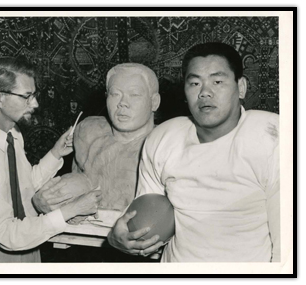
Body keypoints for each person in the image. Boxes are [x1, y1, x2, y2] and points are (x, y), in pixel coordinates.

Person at [107, 42, 280, 262]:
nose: (205, 93)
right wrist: (118, 237)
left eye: (217, 82)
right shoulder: (163, 138)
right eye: (195, 83)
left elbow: (290, 245)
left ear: (242, 87)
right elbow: (145, 226)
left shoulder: (270, 136)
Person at [0, 57, 102, 263]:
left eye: (34, 95)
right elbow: (6, 234)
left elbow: (24, 188)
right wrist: (71, 210)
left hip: (29, 240)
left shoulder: (12, 133)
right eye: (27, 97)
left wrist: (55, 153)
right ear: (0, 98)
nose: (35, 104)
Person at [32, 63, 161, 262]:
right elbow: (78, 183)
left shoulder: (166, 144)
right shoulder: (88, 131)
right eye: (115, 94)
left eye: (134, 95)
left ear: (154, 102)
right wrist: (46, 201)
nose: (122, 103)